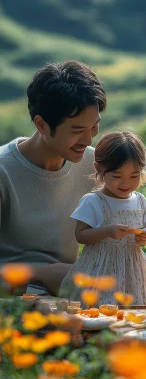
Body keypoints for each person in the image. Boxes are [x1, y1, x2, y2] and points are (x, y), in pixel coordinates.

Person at [0, 61, 106, 294]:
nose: (88, 140)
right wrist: (41, 273)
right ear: (42, 125)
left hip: (69, 295)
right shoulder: (3, 172)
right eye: (77, 130)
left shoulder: (93, 165)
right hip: (11, 302)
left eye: (94, 127)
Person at [59, 131, 146, 305]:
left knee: (134, 307)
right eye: (117, 176)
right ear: (99, 169)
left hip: (133, 270)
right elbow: (81, 235)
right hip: (100, 270)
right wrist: (106, 231)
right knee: (101, 307)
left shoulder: (140, 200)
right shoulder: (94, 201)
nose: (126, 183)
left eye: (134, 176)